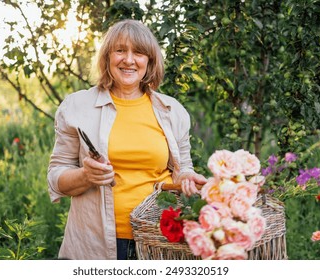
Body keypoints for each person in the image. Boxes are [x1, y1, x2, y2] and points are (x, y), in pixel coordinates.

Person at [47, 19, 207, 260]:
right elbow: (56, 177)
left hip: (158, 238)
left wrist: (185, 178)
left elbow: (182, 168)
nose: (129, 60)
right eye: (120, 50)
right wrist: (85, 176)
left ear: (149, 61)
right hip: (95, 244)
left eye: (139, 52)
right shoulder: (77, 106)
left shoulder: (172, 110)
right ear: (107, 57)